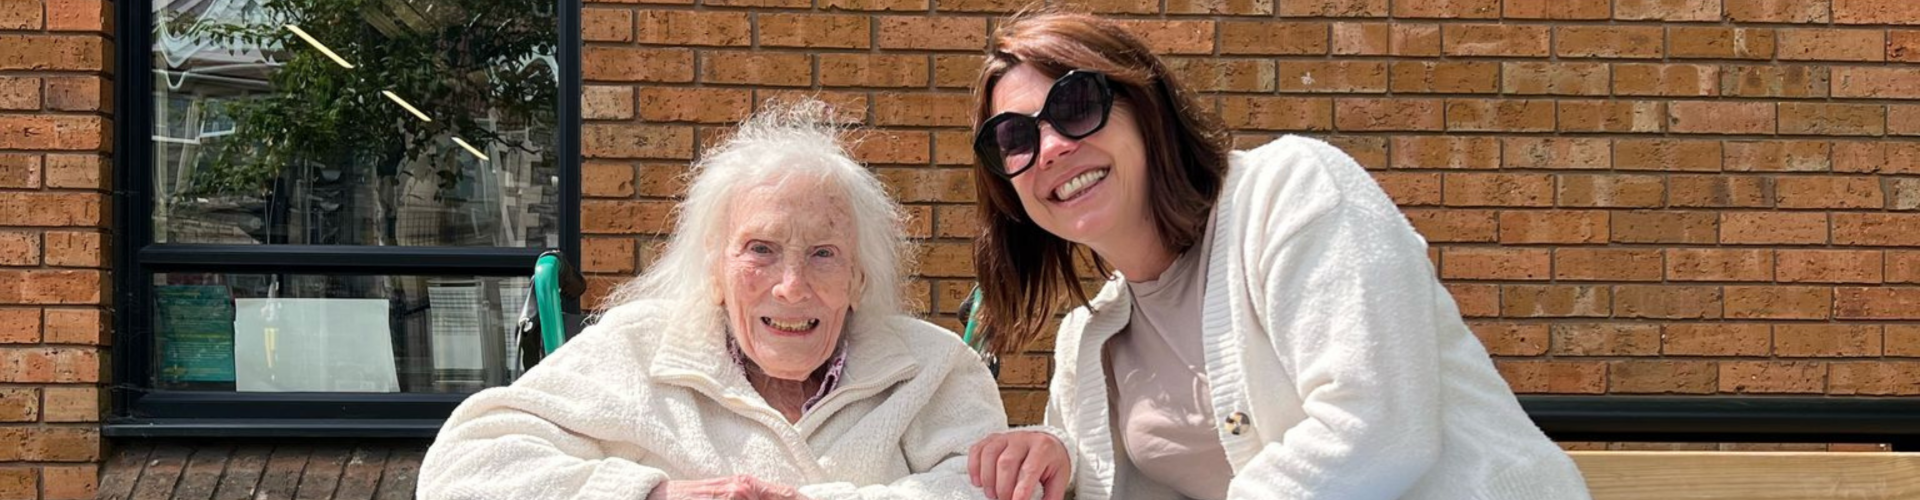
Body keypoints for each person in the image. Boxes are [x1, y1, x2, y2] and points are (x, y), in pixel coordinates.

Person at [961, 11, 1592, 500]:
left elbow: (1377, 425)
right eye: (1013, 137)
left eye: (1075, 105)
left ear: (1147, 108)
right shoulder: (1088, 339)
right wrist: (1056, 454)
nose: (1050, 147)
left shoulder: (1292, 192)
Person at [418, 101, 1008, 500]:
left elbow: (988, 488)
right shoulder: (637, 348)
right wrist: (652, 494)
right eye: (760, 249)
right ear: (715, 272)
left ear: (859, 278)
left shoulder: (932, 369)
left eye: (824, 253)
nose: (791, 285)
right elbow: (461, 471)